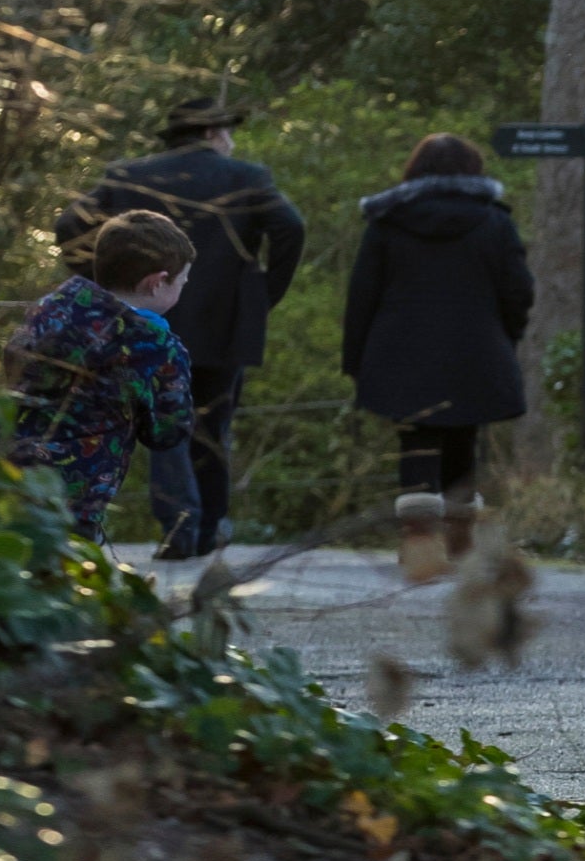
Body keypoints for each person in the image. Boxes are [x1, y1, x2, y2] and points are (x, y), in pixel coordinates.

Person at [55, 96, 307, 559]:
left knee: (159, 418)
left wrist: (109, 287)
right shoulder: (248, 177)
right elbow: (291, 228)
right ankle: (206, 528)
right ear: (214, 133)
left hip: (144, 315)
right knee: (212, 423)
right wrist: (263, 294)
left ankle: (180, 528)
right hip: (225, 322)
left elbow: (68, 224)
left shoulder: (128, 176)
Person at [342, 133, 536, 583]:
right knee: (464, 437)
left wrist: (356, 359)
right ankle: (460, 543)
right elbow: (519, 292)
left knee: (417, 439)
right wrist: (508, 337)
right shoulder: (495, 222)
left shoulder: (387, 222)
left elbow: (362, 297)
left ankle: (420, 548)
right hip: (476, 349)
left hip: (399, 352)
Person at [0, 211, 197, 543]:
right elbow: (167, 431)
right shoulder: (156, 347)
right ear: (156, 282)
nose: (183, 288)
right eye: (181, 281)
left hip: (5, 472)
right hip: (79, 492)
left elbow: (13, 359)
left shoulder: (51, 308)